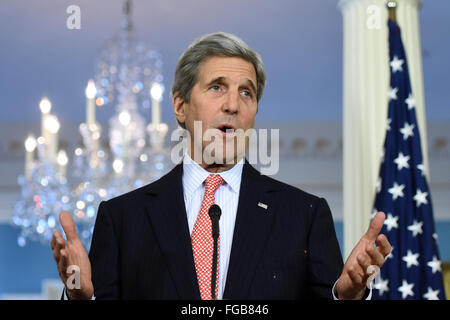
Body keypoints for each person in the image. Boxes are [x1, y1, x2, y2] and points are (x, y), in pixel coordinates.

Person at [51, 32, 391, 300]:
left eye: (247, 92)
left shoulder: (304, 215)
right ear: (181, 106)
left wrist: (347, 297)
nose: (232, 104)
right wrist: (81, 298)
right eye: (217, 87)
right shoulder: (122, 218)